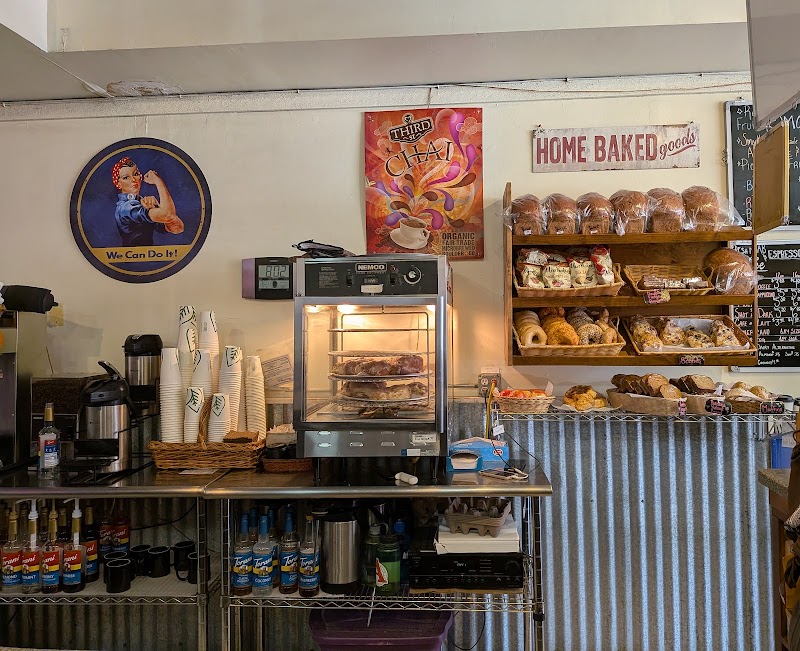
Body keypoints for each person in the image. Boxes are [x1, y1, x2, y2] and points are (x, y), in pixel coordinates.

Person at [111, 157, 184, 247]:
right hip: (131, 258)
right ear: (118, 184)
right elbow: (168, 215)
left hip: (150, 257)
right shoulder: (125, 208)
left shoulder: (142, 202)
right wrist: (158, 181)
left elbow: (177, 228)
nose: (133, 179)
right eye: (126, 177)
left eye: (136, 174)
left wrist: (157, 207)